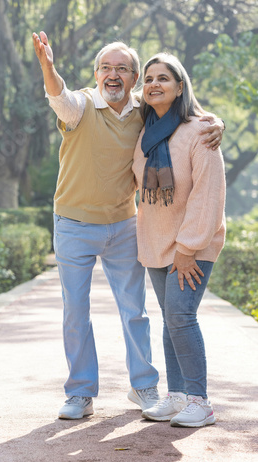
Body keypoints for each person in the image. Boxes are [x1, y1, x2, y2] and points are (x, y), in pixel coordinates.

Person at [32, 31, 224, 420]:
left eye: (123, 68)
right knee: (76, 311)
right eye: (106, 67)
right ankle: (81, 393)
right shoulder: (83, 106)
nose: (113, 74)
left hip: (125, 226)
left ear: (133, 78)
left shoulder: (145, 112)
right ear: (97, 73)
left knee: (139, 311)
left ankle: (148, 387)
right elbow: (59, 96)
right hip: (74, 223)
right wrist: (48, 68)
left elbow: (186, 114)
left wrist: (214, 121)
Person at [132, 52, 226, 427]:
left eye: (164, 78)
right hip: (157, 240)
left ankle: (200, 401)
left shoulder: (201, 130)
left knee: (181, 316)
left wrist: (187, 249)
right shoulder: (143, 133)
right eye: (149, 78)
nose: (154, 84)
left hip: (194, 243)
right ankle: (175, 396)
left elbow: (208, 193)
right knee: (170, 320)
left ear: (180, 86)